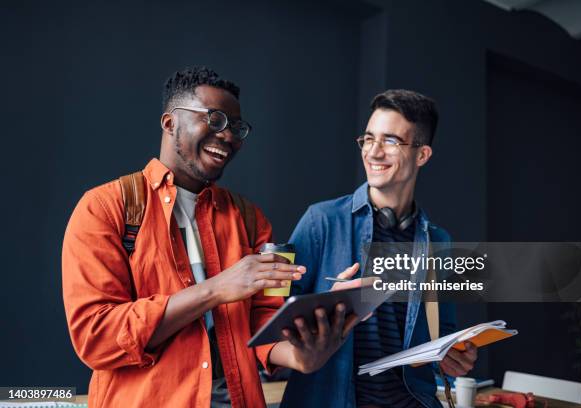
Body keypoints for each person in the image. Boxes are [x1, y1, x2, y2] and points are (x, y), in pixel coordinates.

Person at [62, 66, 355, 408]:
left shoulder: (249, 219)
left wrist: (305, 352)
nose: (229, 136)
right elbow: (96, 337)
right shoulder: (104, 208)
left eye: (237, 128)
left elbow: (263, 324)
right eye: (215, 120)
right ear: (170, 123)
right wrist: (216, 289)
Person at [281, 89, 478, 408]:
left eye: (390, 141)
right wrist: (334, 305)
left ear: (422, 155)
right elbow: (277, 321)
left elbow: (444, 333)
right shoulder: (322, 220)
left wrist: (454, 356)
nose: (373, 152)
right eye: (368, 139)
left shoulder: (439, 242)